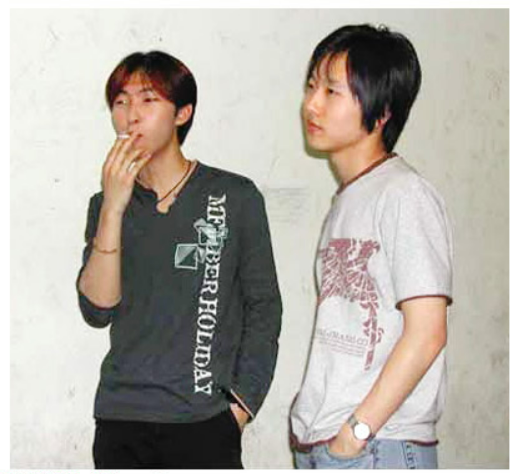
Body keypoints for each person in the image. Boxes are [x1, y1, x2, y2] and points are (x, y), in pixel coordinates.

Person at [76, 50, 282, 469]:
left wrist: (241, 406)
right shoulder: (105, 204)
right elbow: (97, 310)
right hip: (121, 418)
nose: (131, 115)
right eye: (121, 101)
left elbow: (264, 307)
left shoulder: (234, 197)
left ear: (183, 113)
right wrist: (113, 208)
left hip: (205, 421)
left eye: (148, 100)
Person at [289, 24, 453, 469]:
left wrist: (357, 433)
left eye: (331, 91)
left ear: (381, 112)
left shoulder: (404, 194)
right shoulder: (349, 199)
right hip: (329, 445)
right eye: (311, 86)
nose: (312, 104)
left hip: (378, 447)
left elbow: (427, 332)